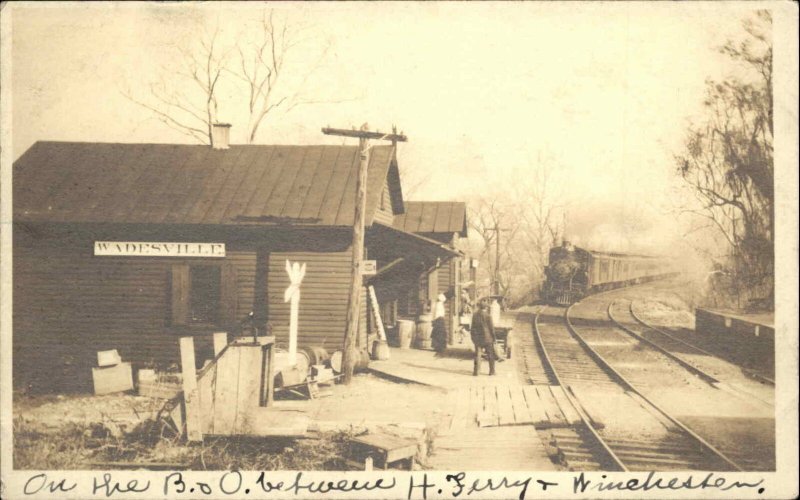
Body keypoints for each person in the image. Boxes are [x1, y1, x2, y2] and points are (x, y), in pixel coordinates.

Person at [470, 299, 496, 376]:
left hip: (478, 338)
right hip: (487, 338)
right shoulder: (488, 316)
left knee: (477, 354)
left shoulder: (474, 315)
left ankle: (476, 372)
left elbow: (472, 327)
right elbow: (491, 328)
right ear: (486, 308)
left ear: (479, 307)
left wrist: (473, 337)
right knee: (491, 355)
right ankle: (492, 372)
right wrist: (494, 338)